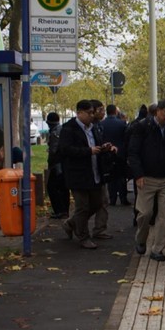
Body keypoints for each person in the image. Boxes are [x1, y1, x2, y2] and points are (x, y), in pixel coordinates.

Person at [127, 99, 165, 261]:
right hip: (146, 179)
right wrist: (138, 175)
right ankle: (141, 239)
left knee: (163, 216)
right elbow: (133, 153)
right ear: (158, 111)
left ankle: (158, 249)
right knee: (145, 213)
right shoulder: (142, 126)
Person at [58, 99, 117, 249]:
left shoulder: (94, 127)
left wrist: (104, 148)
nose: (92, 115)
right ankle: (83, 236)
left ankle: (71, 223)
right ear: (79, 113)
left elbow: (96, 145)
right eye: (89, 113)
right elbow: (65, 150)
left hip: (94, 172)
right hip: (78, 174)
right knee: (82, 206)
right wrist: (88, 151)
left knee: (97, 203)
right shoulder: (69, 128)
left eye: (93, 112)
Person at [89, 99, 113, 240]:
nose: (103, 113)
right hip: (87, 171)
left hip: (99, 169)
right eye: (100, 110)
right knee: (88, 204)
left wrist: (106, 147)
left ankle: (100, 229)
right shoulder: (88, 127)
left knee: (103, 200)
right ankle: (72, 224)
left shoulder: (99, 126)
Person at [101, 103, 130, 206]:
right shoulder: (122, 124)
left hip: (107, 154)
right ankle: (123, 198)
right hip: (120, 154)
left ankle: (112, 199)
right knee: (121, 177)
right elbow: (126, 139)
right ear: (115, 112)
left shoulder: (102, 124)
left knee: (110, 177)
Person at [45, 112, 70, 219]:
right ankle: (65, 210)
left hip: (57, 164)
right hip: (64, 163)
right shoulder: (62, 129)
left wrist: (50, 163)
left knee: (52, 187)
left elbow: (53, 150)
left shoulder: (55, 132)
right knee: (63, 188)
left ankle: (60, 210)